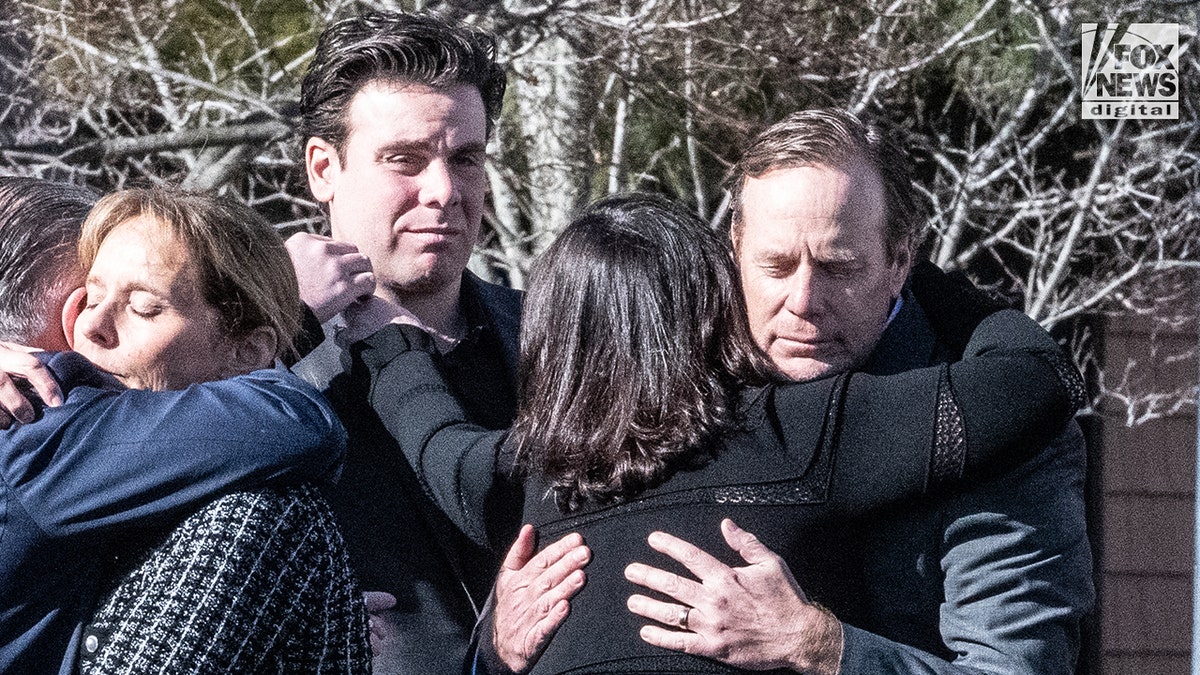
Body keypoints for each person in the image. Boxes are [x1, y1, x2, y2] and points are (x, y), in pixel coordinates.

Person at [338, 192, 1085, 673]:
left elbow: (434, 438)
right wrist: (908, 272)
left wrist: (381, 338)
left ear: (549, 339)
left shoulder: (524, 479)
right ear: (710, 308)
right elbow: (1035, 382)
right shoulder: (799, 432)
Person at [617, 109, 1094, 673]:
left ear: (899, 262)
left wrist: (819, 646)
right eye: (775, 266)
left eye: (838, 268)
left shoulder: (999, 428)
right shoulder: (676, 383)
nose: (803, 301)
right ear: (735, 251)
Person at [286, 11, 563, 673]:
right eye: (405, 160)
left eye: (465, 159)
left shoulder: (558, 344)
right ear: (323, 168)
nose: (443, 192)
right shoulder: (252, 379)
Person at [0, 180, 369, 673]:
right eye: (90, 298)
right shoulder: (39, 417)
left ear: (247, 350)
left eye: (144, 307)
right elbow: (298, 421)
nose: (90, 326)